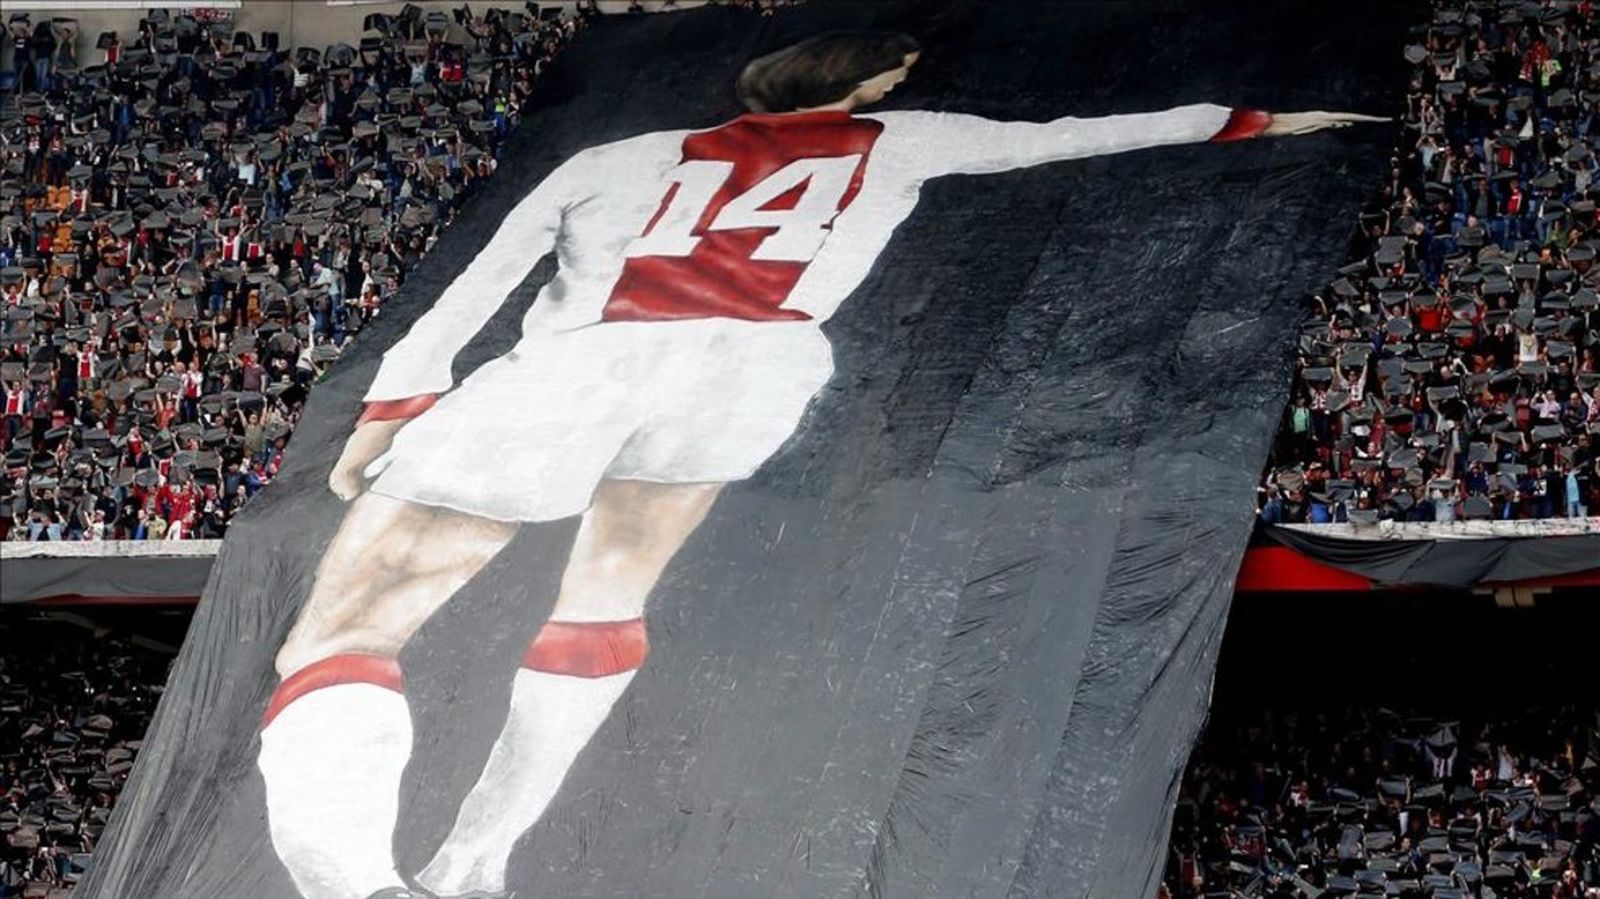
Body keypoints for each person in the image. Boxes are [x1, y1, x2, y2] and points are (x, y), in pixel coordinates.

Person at [254, 30, 1383, 899]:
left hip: (589, 360)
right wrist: (1253, 120)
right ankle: (472, 866)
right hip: (756, 365)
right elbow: (1077, 132)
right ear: (870, 84)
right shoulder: (908, 138)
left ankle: (358, 886)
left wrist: (396, 400)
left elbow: (483, 280)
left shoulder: (621, 157)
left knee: (352, 626)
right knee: (603, 598)